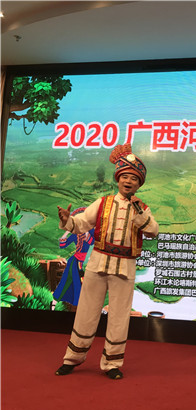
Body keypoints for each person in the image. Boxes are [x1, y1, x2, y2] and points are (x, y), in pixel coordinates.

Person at [54, 143, 158, 380]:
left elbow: (153, 230)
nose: (128, 181)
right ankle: (72, 358)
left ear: (139, 184)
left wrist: (139, 213)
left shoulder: (142, 208)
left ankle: (112, 363)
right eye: (125, 177)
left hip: (125, 266)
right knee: (86, 311)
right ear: (118, 179)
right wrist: (68, 220)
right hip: (98, 263)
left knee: (119, 316)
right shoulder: (103, 202)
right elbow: (82, 223)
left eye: (134, 178)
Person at [52, 208, 94, 311]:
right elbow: (63, 245)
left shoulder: (90, 232)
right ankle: (55, 304)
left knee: (70, 282)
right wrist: (67, 232)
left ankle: (55, 303)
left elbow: (91, 242)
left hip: (82, 262)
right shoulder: (76, 234)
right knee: (73, 282)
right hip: (75, 262)